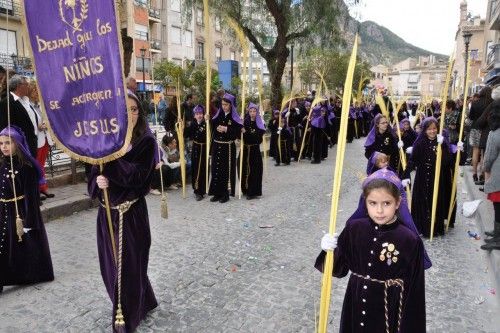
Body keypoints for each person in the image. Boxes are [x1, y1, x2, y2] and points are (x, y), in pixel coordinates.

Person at [316, 169, 426, 333]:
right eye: (373, 203)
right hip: (355, 303)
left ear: (397, 202)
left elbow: (415, 293)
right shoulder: (354, 229)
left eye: (386, 203)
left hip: (388, 310)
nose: (379, 211)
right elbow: (337, 269)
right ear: (365, 202)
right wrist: (328, 250)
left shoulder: (409, 240)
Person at [87, 92, 158, 332]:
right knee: (110, 268)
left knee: (128, 268)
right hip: (107, 214)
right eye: (125, 109)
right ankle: (145, 300)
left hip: (131, 215)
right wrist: (97, 184)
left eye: (135, 109)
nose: (130, 114)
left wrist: (112, 160)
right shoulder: (102, 139)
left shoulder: (146, 141)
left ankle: (124, 318)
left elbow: (138, 177)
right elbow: (91, 174)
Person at [0, 126, 54, 293]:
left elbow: (32, 197)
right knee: (6, 245)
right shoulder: (1, 164)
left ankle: (32, 273)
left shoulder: (27, 167)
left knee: (25, 245)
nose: (4, 147)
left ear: (17, 144)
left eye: (8, 143)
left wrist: (29, 221)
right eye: (1, 143)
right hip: (4, 211)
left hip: (20, 211)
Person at [403, 117, 452, 238]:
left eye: (434, 128)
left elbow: (447, 162)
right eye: (429, 129)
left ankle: (435, 227)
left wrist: (444, 147)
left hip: (437, 177)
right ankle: (422, 227)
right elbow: (413, 160)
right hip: (422, 176)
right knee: (422, 200)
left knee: (435, 200)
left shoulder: (441, 143)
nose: (432, 131)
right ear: (425, 130)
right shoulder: (420, 142)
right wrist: (406, 174)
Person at [208, 93, 243, 203]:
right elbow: (212, 126)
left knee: (225, 170)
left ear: (231, 105)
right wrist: (208, 119)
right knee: (215, 169)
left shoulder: (235, 118)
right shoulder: (219, 115)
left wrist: (226, 129)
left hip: (227, 147)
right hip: (217, 145)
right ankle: (216, 193)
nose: (224, 107)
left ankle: (225, 194)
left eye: (226, 104)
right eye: (222, 104)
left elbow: (237, 133)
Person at [28, 82, 55, 199]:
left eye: (38, 90)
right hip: (37, 139)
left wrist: (47, 124)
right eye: (34, 90)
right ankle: (36, 189)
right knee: (36, 166)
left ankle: (43, 187)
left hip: (45, 138)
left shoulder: (40, 104)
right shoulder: (27, 106)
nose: (37, 93)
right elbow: (29, 124)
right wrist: (38, 127)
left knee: (42, 165)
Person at [0, 75, 38, 157]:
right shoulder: (6, 103)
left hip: (31, 143)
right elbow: (5, 126)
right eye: (26, 84)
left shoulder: (25, 100)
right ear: (19, 86)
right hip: (20, 147)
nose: (28, 86)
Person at [481, 103, 500, 250]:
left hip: (498, 176)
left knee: (498, 206)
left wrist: (485, 169)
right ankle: (496, 233)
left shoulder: (495, 133)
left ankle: (498, 239)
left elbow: (489, 157)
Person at [238, 103, 265, 200]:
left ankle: (252, 191)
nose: (252, 113)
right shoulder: (245, 122)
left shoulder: (260, 124)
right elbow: (239, 136)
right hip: (245, 149)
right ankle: (245, 189)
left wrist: (246, 132)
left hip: (254, 151)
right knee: (243, 169)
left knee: (254, 171)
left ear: (257, 112)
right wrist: (239, 126)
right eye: (250, 111)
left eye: (254, 111)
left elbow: (257, 139)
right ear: (248, 112)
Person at [469, 87, 493, 185]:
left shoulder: (475, 103)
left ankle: (474, 174)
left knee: (475, 151)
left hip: (475, 128)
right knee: (484, 153)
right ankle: (482, 174)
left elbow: (470, 117)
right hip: (486, 129)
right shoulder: (491, 103)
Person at [184, 105, 208, 201]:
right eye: (197, 114)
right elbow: (186, 134)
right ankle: (197, 191)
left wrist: (208, 121)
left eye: (201, 114)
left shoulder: (206, 124)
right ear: (194, 115)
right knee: (196, 169)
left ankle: (203, 189)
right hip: (196, 148)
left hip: (204, 148)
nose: (199, 116)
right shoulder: (193, 125)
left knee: (203, 169)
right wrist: (182, 126)